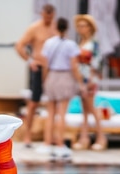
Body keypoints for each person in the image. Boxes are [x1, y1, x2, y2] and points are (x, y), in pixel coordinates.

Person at [38, 17, 84, 160]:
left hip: (51, 75)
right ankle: (60, 145)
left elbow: (45, 65)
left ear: (56, 27)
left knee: (50, 112)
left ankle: (46, 144)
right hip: (65, 76)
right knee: (62, 113)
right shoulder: (71, 45)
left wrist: (44, 80)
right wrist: (80, 82)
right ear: (67, 28)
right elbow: (74, 66)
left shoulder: (49, 43)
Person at [14, 4, 57, 148]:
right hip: (37, 67)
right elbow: (19, 45)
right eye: (46, 17)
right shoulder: (34, 28)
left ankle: (51, 137)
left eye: (50, 17)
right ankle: (27, 136)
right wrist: (30, 60)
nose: (48, 19)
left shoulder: (56, 28)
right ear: (41, 14)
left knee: (54, 102)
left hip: (52, 69)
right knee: (34, 102)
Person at [71, 14, 108, 151]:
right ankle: (84, 138)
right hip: (81, 79)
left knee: (91, 108)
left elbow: (97, 64)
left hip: (89, 80)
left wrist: (92, 80)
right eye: (79, 26)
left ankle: (101, 138)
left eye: (83, 25)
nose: (81, 28)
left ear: (90, 27)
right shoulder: (81, 42)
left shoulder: (94, 43)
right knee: (85, 110)